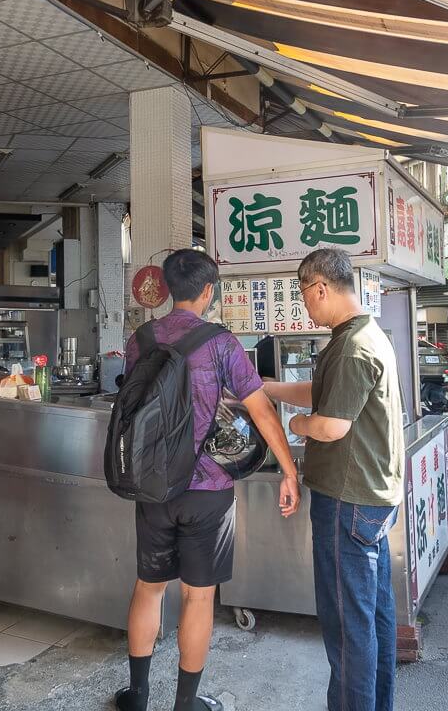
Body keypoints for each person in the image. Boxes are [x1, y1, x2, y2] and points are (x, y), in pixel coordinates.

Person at [114, 249, 299, 711]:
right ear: (208, 291)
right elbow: (261, 411)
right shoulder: (221, 344)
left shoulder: (140, 339)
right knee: (198, 599)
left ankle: (137, 695)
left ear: (167, 289)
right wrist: (289, 470)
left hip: (153, 485)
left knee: (148, 587)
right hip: (208, 490)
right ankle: (186, 704)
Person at [264, 249, 404, 711]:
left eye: (304, 294)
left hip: (348, 502)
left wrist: (297, 425)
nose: (305, 305)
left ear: (320, 287)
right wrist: (267, 388)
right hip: (370, 500)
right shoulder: (362, 335)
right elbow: (322, 392)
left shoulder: (351, 346)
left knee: (347, 629)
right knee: (372, 618)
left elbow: (330, 424)